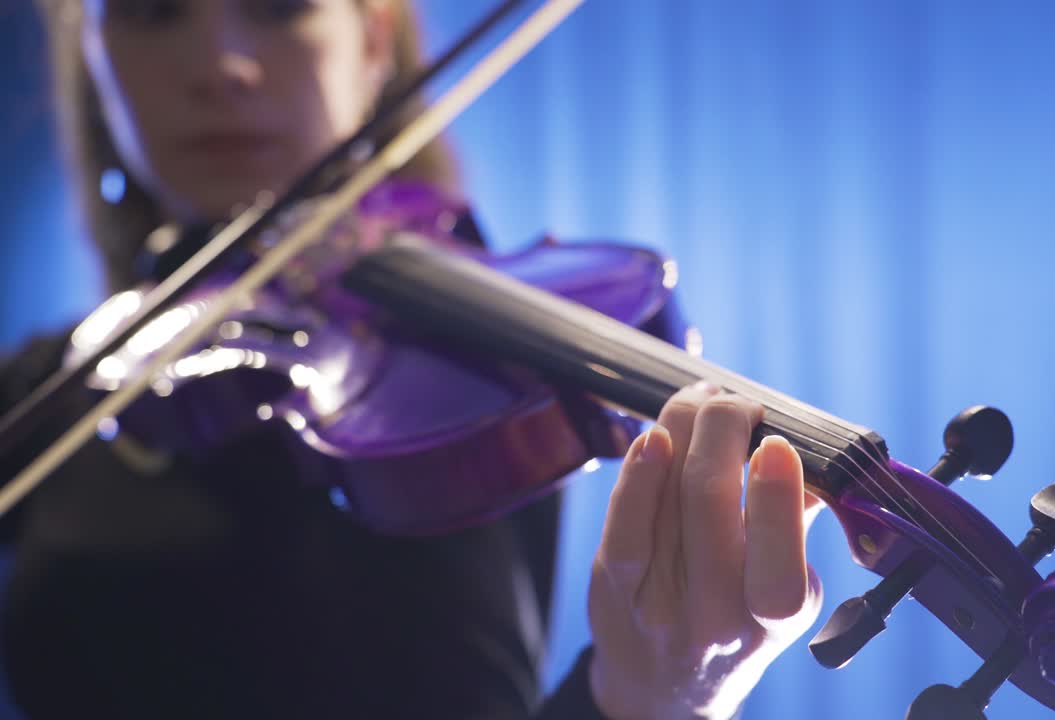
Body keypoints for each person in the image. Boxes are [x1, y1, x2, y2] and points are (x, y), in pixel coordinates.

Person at [0, 1, 825, 718]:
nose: (222, 67)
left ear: (371, 43)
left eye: (282, 5)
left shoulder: (454, 378)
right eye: (151, 13)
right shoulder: (53, 385)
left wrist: (651, 701)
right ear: (95, 64)